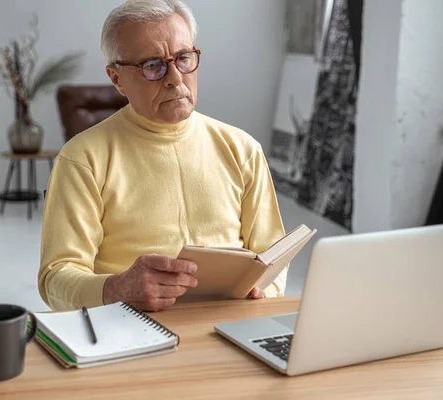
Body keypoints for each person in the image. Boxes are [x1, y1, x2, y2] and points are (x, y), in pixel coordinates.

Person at [38, 0, 287, 312]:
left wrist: (264, 291)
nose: (175, 78)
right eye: (153, 66)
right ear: (117, 79)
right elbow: (55, 280)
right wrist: (116, 288)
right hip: (128, 328)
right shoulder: (82, 159)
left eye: (183, 59)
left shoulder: (242, 149)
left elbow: (273, 254)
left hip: (230, 325)